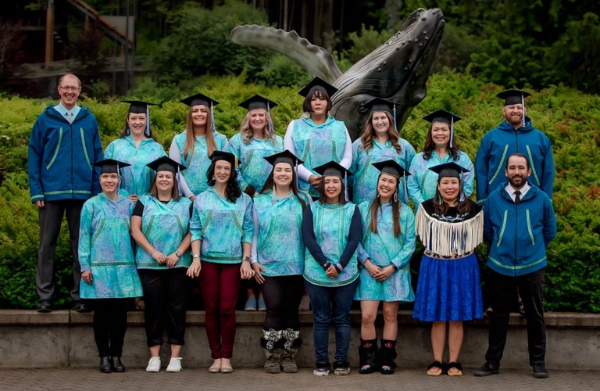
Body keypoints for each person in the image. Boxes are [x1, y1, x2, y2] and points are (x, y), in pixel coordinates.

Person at [475, 153, 556, 379]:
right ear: (506, 172)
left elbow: (549, 231)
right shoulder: (494, 198)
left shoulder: (541, 199)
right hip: (500, 265)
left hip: (532, 265)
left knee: (535, 314)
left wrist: (532, 246)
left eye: (521, 167)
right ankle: (492, 363)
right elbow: (488, 230)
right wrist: (501, 245)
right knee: (499, 316)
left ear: (529, 172)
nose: (517, 171)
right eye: (512, 168)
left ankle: (538, 362)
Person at [28, 73, 103, 313]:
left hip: (83, 194)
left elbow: (98, 157)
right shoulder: (45, 119)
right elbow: (34, 156)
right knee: (46, 245)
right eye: (66, 88)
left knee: (79, 246)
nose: (70, 92)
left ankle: (80, 295)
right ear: (59, 90)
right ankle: (45, 296)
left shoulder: (89, 120)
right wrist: (37, 190)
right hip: (50, 192)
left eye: (74, 88)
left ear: (79, 91)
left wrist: (95, 191)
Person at [413, 162, 484, 377]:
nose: (449, 187)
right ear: (438, 185)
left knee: (456, 316)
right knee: (437, 316)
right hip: (435, 265)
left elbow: (478, 237)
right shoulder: (426, 208)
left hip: (463, 265)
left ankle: (453, 362)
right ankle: (436, 360)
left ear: (460, 184)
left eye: (454, 182)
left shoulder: (472, 209)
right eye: (445, 182)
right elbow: (420, 236)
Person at [187, 151, 255, 373]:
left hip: (233, 261)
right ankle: (215, 357)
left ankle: (227, 356)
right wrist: (195, 258)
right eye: (219, 168)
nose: (223, 171)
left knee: (227, 308)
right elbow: (195, 230)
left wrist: (246, 260)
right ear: (212, 171)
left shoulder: (244, 199)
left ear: (232, 172)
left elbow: (248, 231)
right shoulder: (201, 198)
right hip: (207, 260)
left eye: (227, 168)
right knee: (211, 309)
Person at [79, 159, 143, 373]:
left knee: (119, 315)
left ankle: (117, 354)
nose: (109, 180)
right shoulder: (91, 205)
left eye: (113, 177)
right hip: (99, 269)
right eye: (105, 177)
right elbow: (83, 238)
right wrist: (84, 266)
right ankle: (104, 356)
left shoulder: (129, 204)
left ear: (119, 179)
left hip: (124, 267)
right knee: (102, 315)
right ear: (99, 180)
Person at [130, 156, 192, 373]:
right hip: (149, 264)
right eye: (161, 176)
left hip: (178, 264)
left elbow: (193, 232)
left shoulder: (186, 204)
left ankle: (176, 357)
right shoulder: (144, 202)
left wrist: (178, 253)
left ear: (175, 180)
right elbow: (135, 230)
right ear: (155, 179)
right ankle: (154, 356)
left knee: (177, 309)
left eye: (168, 176)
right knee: (153, 310)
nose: (164, 179)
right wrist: (154, 252)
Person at [355, 160, 416, 375]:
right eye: (383, 180)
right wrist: (368, 264)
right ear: (377, 181)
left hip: (395, 272)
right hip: (369, 270)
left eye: (391, 181)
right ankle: (368, 357)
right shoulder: (363, 209)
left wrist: (393, 266)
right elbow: (356, 240)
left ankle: (387, 358)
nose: (386, 184)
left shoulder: (406, 213)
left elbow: (410, 243)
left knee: (390, 315)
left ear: (396, 185)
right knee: (367, 316)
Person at [251, 150, 309, 374]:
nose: (283, 173)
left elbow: (310, 234)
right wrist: (254, 261)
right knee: (273, 308)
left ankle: (289, 355)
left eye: (287, 170)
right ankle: (271, 355)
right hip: (268, 265)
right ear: (272, 173)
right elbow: (253, 233)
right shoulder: (260, 201)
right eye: (279, 170)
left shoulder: (305, 199)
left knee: (291, 310)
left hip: (296, 265)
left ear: (293, 174)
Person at [302, 161, 361, 376]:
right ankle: (321, 362)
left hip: (346, 273)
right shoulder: (312, 208)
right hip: (316, 272)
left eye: (336, 181)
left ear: (342, 184)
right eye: (328, 182)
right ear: (322, 185)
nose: (332, 186)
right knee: (321, 318)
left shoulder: (352, 209)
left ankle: (342, 361)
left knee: (342, 319)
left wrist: (340, 265)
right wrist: (326, 264)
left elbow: (354, 239)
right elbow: (308, 238)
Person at [227, 95, 283, 311]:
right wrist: (249, 191)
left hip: (271, 197)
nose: (257, 118)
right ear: (248, 117)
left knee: (266, 240)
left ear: (267, 117)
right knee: (247, 239)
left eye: (261, 115)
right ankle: (250, 293)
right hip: (246, 198)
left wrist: (269, 192)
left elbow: (283, 169)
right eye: (254, 115)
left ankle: (264, 291)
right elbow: (232, 168)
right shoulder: (237, 141)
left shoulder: (277, 141)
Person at [475, 90, 554, 204]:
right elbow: (481, 170)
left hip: (533, 201)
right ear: (503, 110)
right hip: (497, 200)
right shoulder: (491, 137)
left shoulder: (540, 139)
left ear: (525, 110)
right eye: (511, 107)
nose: (515, 111)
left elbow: (548, 172)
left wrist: (546, 201)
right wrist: (482, 200)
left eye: (519, 107)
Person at [283, 77, 352, 200]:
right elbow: (290, 158)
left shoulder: (340, 127)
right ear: (307, 102)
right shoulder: (295, 126)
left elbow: (347, 157)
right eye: (313, 99)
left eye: (322, 99)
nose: (318, 102)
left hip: (334, 188)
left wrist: (331, 176)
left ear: (328, 102)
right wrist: (309, 177)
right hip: (303, 189)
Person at [351, 98, 415, 206]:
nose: (380, 122)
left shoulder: (404, 146)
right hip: (364, 202)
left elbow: (412, 175)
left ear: (389, 119)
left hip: (395, 203)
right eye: (376, 118)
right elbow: (349, 173)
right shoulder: (359, 145)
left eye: (383, 117)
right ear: (371, 121)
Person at [407, 110, 474, 209]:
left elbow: (467, 186)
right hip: (425, 213)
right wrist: (426, 206)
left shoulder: (463, 159)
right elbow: (412, 186)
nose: (440, 133)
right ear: (431, 133)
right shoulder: (419, 159)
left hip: (454, 213)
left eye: (444, 129)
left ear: (450, 132)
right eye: (436, 129)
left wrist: (453, 206)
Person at [103, 101, 166, 203]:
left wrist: (145, 199)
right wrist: (122, 197)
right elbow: (105, 178)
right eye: (133, 118)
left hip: (148, 206)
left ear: (147, 121)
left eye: (141, 118)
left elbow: (164, 180)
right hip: (119, 205)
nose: (137, 122)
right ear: (128, 120)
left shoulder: (156, 149)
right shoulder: (115, 147)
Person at [169, 93, 228, 199]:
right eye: (195, 111)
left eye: (203, 111)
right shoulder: (179, 140)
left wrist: (215, 194)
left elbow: (226, 170)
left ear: (209, 115)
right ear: (190, 115)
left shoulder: (221, 140)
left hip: (215, 198)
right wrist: (190, 196)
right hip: (186, 199)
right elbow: (175, 171)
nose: (199, 114)